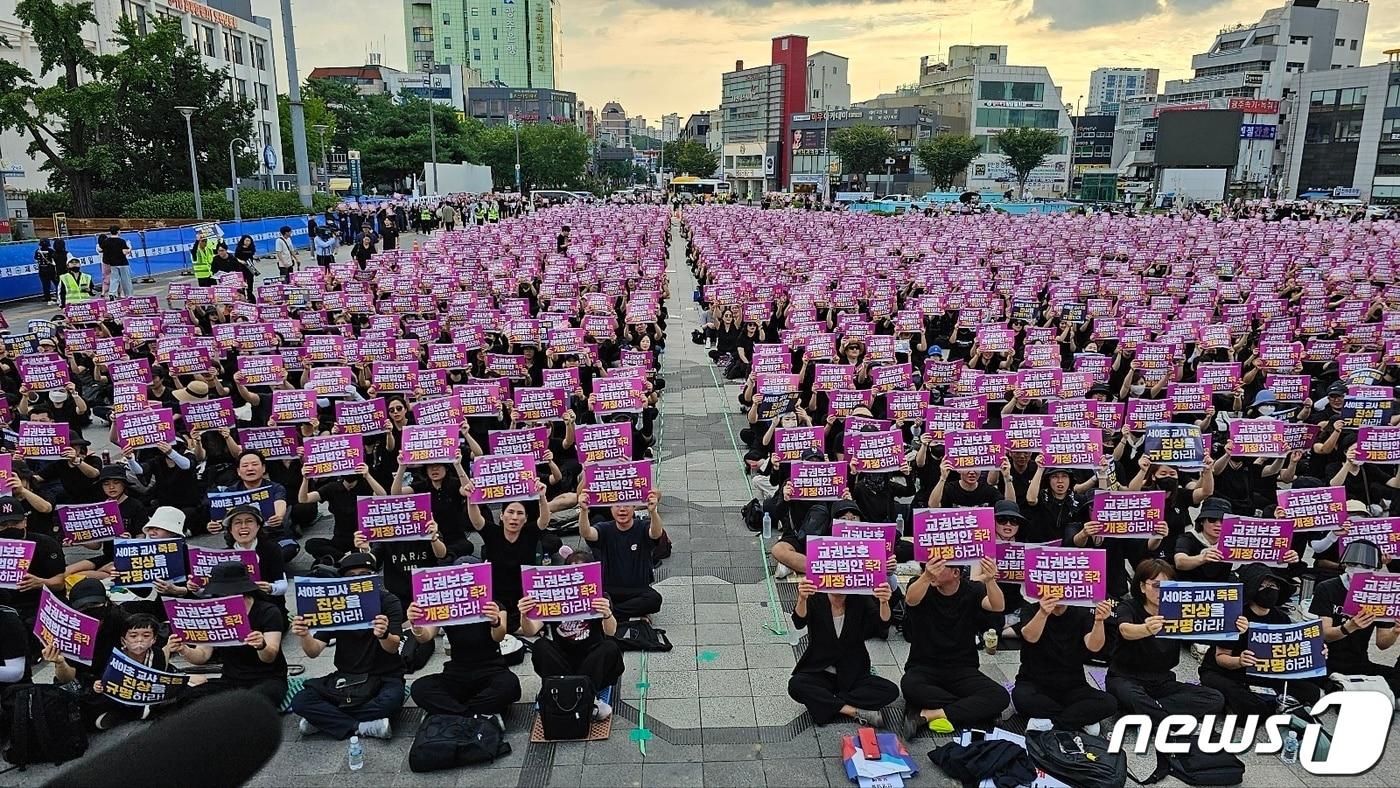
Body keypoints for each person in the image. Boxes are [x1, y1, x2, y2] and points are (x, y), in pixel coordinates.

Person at [290, 553, 406, 740]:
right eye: (352, 576)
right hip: (345, 679)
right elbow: (313, 651)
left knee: (390, 702)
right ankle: (360, 727)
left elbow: (393, 647)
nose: (358, 579)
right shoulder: (336, 603)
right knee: (301, 701)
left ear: (374, 577)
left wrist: (383, 634)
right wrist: (304, 636)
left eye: (365, 573)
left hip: (384, 676)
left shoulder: (388, 601)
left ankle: (324, 720)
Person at [1106, 559, 1227, 723]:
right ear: (1142, 587)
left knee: (1215, 698)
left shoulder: (1180, 610)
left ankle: (1142, 714)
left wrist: (1234, 627)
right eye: (1156, 585)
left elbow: (1207, 629)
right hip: (1126, 678)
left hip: (1162, 681)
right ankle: (1156, 716)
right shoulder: (1129, 606)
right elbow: (1125, 630)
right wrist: (1146, 629)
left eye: (1168, 586)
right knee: (1131, 696)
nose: (1162, 591)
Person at [901, 556, 1010, 735]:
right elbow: (911, 600)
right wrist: (927, 576)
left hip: (962, 668)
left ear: (955, 573)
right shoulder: (922, 583)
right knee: (910, 687)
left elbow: (997, 606)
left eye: (938, 566)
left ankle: (929, 714)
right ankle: (974, 709)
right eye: (929, 565)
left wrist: (990, 580)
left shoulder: (973, 589)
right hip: (924, 666)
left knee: (1000, 696)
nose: (931, 568)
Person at [1199, 563, 1326, 716]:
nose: (1269, 589)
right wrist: (1240, 660)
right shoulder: (1234, 615)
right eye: (1263, 585)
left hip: (1263, 673)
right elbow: (1221, 658)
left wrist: (1315, 651)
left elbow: (1288, 656)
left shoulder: (1282, 618)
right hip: (1226, 671)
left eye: (1273, 586)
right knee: (1252, 708)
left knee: (1313, 692)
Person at [517, 553, 625, 722]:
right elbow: (531, 631)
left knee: (610, 647)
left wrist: (607, 613)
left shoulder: (599, 596)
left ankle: (584, 696)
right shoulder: (551, 596)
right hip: (564, 661)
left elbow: (611, 632)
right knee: (540, 645)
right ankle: (577, 695)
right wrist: (525, 614)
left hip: (592, 661)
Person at [171, 561, 288, 708]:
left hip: (268, 679)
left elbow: (270, 656)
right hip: (231, 679)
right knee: (188, 698)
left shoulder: (268, 612)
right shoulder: (212, 612)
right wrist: (184, 649)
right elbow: (202, 656)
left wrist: (261, 645)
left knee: (250, 703)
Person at [787, 575, 898, 727]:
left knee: (890, 690)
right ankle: (852, 711)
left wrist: (884, 602)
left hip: (853, 673)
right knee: (796, 685)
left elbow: (882, 624)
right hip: (821, 671)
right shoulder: (816, 597)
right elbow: (799, 622)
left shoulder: (860, 599)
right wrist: (802, 599)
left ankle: (826, 702)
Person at [1011, 591, 1117, 735]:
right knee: (1021, 698)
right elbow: (1030, 636)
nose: (1058, 593)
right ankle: (1078, 719)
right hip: (1035, 682)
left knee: (1109, 703)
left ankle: (1051, 722)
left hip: (1072, 684)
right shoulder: (1031, 609)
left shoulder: (1082, 612)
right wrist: (1043, 613)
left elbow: (1094, 646)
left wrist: (1099, 622)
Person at [406, 596, 520, 720]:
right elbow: (425, 637)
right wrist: (416, 624)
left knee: (510, 685)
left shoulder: (492, 604)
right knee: (420, 688)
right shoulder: (445, 607)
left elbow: (499, 636)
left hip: (491, 670)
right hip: (457, 673)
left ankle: (452, 712)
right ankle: (477, 715)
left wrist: (495, 621)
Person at [1310, 539, 1400, 694]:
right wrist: (1349, 627)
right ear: (1345, 565)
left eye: (1366, 567)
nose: (1358, 570)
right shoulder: (1327, 587)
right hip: (1327, 660)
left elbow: (1382, 643)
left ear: (1375, 569)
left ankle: (1353, 688)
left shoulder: (1379, 594)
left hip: (1358, 662)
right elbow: (1325, 634)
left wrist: (1395, 631)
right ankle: (1345, 688)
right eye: (1353, 564)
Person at [577, 488, 665, 622]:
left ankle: (612, 615)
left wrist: (652, 512)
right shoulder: (605, 528)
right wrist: (583, 511)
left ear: (634, 507)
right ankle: (626, 613)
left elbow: (656, 533)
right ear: (611, 508)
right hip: (610, 589)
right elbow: (587, 533)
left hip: (638, 589)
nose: (622, 509)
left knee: (654, 600)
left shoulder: (643, 526)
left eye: (627, 505)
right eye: (617, 505)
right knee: (591, 599)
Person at [98, 225, 132, 298]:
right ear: (117, 231)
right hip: (122, 262)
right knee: (125, 279)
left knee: (114, 279)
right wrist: (130, 248)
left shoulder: (106, 241)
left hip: (112, 263)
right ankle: (128, 294)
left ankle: (112, 293)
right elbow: (125, 252)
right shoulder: (121, 241)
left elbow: (100, 249)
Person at [34, 238, 58, 303]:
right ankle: (59, 296)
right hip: (50, 269)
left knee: (45, 284)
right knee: (56, 283)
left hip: (42, 269)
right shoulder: (51, 251)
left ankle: (47, 297)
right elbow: (55, 259)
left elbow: (36, 260)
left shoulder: (37, 251)